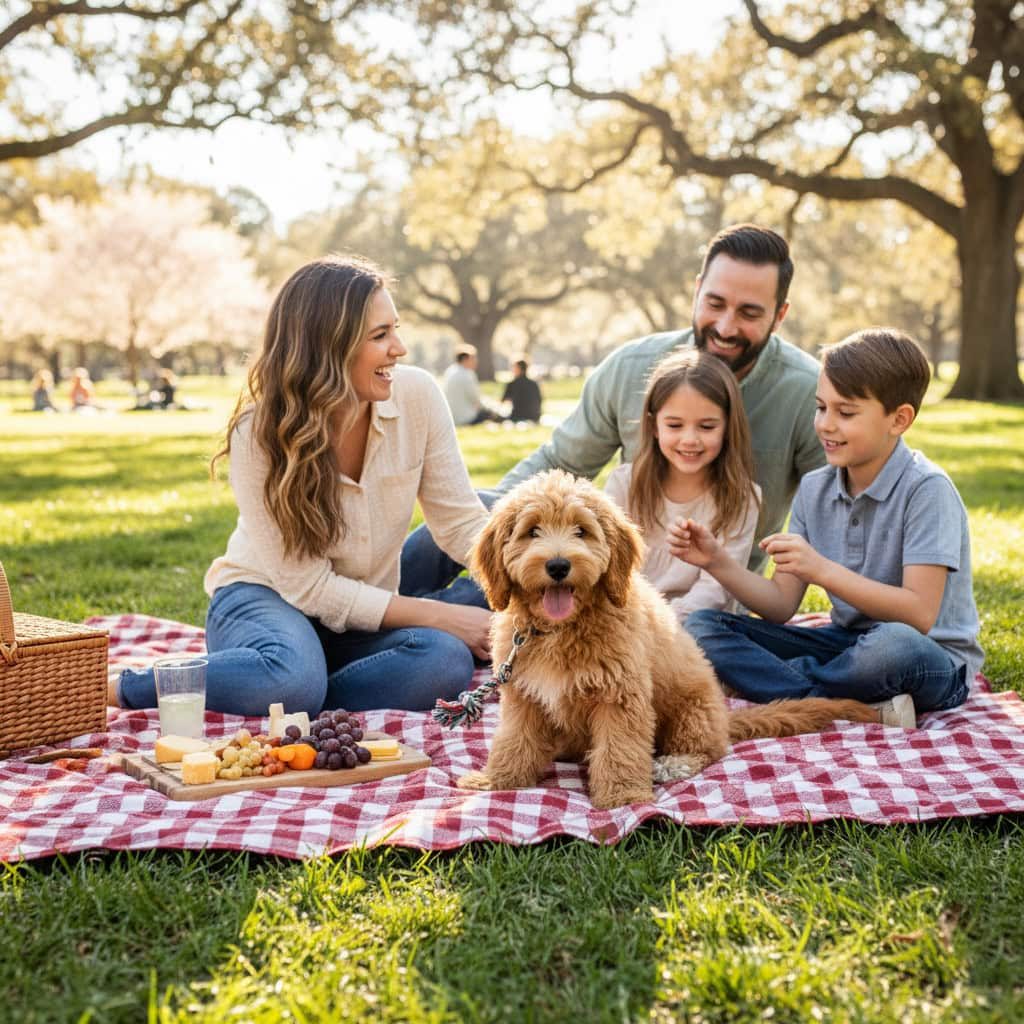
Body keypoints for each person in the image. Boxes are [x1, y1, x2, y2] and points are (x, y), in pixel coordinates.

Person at [115, 255, 493, 718]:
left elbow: (459, 522)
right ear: (327, 348)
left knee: (448, 655)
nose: (399, 348)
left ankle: (300, 682)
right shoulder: (259, 433)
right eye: (380, 335)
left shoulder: (418, 396)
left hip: (362, 608)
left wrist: (544, 586)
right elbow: (310, 587)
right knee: (293, 680)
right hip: (266, 597)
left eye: (395, 329)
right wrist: (441, 616)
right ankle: (136, 685)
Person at [400, 223, 825, 601]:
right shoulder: (631, 367)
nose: (727, 327)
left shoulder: (810, 394)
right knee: (479, 510)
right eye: (715, 303)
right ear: (697, 291)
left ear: (780, 315)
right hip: (612, 573)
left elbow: (836, 510)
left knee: (483, 607)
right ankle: (387, 600)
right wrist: (504, 534)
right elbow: (560, 461)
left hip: (701, 593)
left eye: (749, 313)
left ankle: (420, 623)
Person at [677, 328, 983, 727]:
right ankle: (854, 708)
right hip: (845, 647)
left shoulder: (927, 490)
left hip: (928, 658)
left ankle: (787, 687)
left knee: (893, 645)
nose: (825, 424)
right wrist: (716, 562)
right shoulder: (814, 487)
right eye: (821, 407)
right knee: (702, 627)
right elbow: (781, 605)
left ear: (899, 419)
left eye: (846, 413)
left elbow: (919, 614)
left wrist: (821, 569)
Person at [604, 349, 761, 623]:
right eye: (675, 425)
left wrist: (666, 623)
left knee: (709, 631)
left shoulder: (742, 497)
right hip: (629, 618)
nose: (690, 439)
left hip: (697, 624)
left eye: (707, 427)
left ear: (727, 427)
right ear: (654, 426)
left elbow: (715, 590)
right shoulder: (623, 484)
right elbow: (607, 568)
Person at [442, 345, 504, 425]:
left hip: (451, 417)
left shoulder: (450, 371)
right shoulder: (467, 374)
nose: (476, 361)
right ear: (465, 359)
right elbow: (476, 400)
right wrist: (493, 406)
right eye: (473, 358)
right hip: (466, 418)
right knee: (494, 413)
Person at [501, 358, 543, 423]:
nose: (513, 370)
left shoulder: (512, 384)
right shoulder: (534, 384)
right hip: (535, 417)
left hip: (518, 416)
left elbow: (503, 401)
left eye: (514, 368)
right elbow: (540, 400)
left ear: (518, 369)